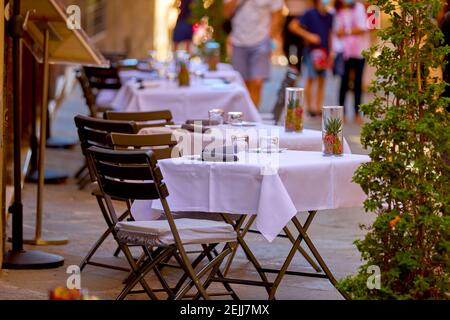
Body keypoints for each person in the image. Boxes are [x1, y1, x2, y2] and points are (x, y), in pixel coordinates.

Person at [224, 0, 284, 108]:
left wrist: (269, 38)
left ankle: (252, 117)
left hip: (261, 41)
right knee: (241, 83)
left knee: (257, 82)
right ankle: (244, 114)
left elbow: (277, 15)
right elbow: (225, 13)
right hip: (238, 41)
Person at [289, 0, 334, 116]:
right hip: (311, 52)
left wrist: (331, 52)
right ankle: (310, 108)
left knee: (322, 80)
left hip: (324, 52)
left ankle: (319, 108)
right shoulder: (309, 13)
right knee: (310, 78)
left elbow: (330, 34)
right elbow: (293, 26)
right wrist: (308, 36)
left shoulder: (330, 16)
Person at [335, 0, 369, 124]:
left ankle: (357, 113)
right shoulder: (337, 11)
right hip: (344, 52)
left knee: (358, 83)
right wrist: (351, 31)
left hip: (360, 51)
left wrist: (346, 31)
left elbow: (363, 28)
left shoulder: (359, 8)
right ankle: (341, 113)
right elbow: (336, 32)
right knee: (343, 82)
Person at [283, 0, 312, 72]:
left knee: (300, 47)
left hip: (301, 17)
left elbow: (309, 5)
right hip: (290, 16)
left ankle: (297, 69)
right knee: (286, 46)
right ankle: (292, 67)